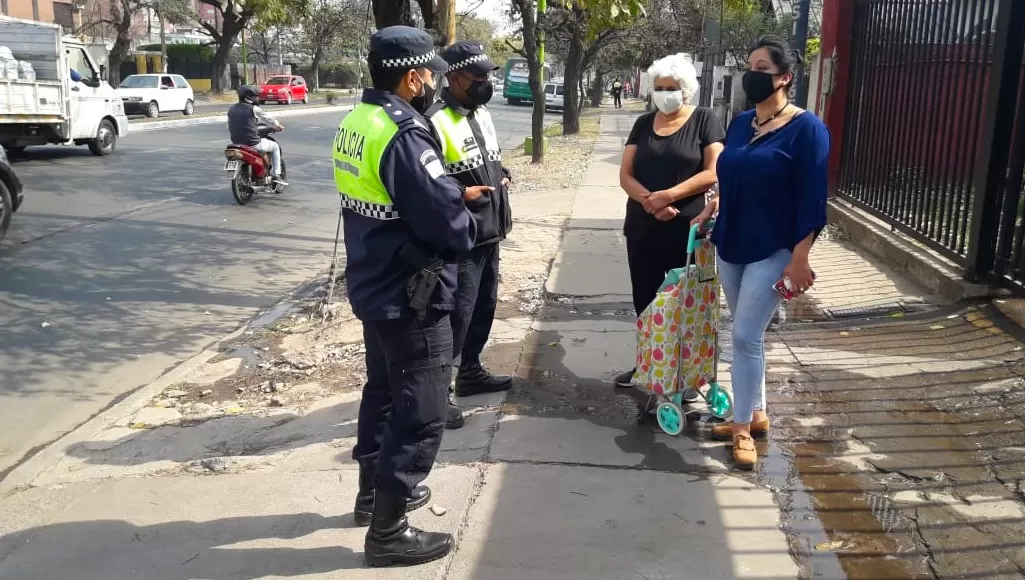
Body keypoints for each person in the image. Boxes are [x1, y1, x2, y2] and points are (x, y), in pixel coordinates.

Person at [334, 25, 476, 567]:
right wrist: (466, 217)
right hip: (410, 291)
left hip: (374, 280)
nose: (433, 85)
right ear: (413, 76)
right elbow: (444, 220)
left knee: (385, 391)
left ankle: (372, 495)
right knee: (422, 408)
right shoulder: (403, 132)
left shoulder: (357, 120)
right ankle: (388, 534)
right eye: (430, 77)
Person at [692, 36, 828, 469]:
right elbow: (730, 172)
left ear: (785, 77)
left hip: (774, 246)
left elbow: (812, 199)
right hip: (730, 241)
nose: (753, 74)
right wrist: (714, 206)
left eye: (762, 67)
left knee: (745, 336)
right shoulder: (741, 122)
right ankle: (759, 413)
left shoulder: (808, 129)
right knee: (747, 334)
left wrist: (800, 257)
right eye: (749, 65)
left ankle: (741, 426)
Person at [615, 53, 725, 399]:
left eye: (672, 88)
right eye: (660, 88)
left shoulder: (705, 119)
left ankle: (686, 373)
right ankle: (647, 365)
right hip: (643, 225)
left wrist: (669, 196)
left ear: (686, 90)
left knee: (686, 303)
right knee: (646, 300)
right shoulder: (644, 123)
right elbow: (625, 174)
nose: (665, 94)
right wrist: (650, 201)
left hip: (688, 227)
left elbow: (713, 170)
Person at [425, 41, 514, 428]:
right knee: (456, 314)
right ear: (454, 77)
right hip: (461, 237)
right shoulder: (434, 119)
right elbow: (428, 181)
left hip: (490, 231)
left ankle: (471, 371)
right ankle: (440, 392)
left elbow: (486, 158)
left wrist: (504, 173)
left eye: (488, 77)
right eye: (478, 78)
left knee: (484, 306)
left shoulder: (481, 114)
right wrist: (462, 193)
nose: (485, 83)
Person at [228, 85, 287, 186]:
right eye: (255, 96)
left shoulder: (231, 109)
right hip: (253, 144)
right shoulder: (254, 109)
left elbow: (230, 125)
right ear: (248, 97)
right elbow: (268, 119)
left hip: (236, 143)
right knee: (275, 146)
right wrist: (278, 126)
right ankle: (276, 174)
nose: (257, 98)